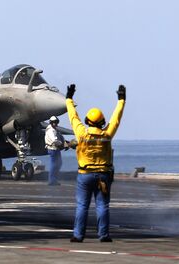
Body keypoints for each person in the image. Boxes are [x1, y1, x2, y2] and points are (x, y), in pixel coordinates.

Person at [66, 83, 125, 243]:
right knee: (102, 206)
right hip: (103, 177)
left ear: (88, 121)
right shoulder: (107, 135)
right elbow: (116, 119)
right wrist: (121, 100)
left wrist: (69, 98)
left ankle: (78, 236)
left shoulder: (81, 134)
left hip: (85, 176)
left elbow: (73, 117)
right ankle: (103, 235)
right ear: (101, 122)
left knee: (82, 206)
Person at [45, 116, 66, 186]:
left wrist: (64, 142)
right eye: (54, 122)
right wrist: (63, 145)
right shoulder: (51, 130)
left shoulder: (54, 129)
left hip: (56, 149)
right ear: (51, 122)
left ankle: (54, 179)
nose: (55, 124)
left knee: (59, 164)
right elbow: (54, 140)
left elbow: (59, 137)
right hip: (52, 149)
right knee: (54, 165)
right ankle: (51, 181)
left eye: (56, 122)